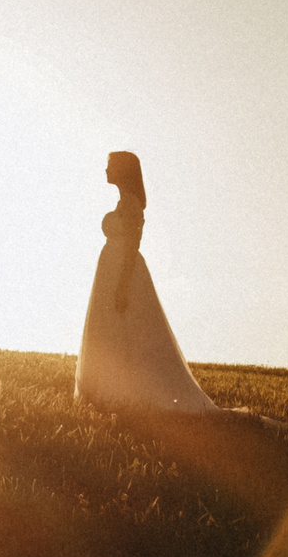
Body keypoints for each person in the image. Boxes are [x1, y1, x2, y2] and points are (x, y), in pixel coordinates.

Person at [74, 150, 220, 413]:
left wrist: (123, 285)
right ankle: (108, 391)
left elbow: (132, 246)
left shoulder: (131, 204)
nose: (106, 170)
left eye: (110, 166)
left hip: (122, 272)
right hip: (111, 271)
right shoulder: (124, 202)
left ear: (123, 170)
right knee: (111, 331)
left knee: (123, 330)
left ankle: (121, 393)